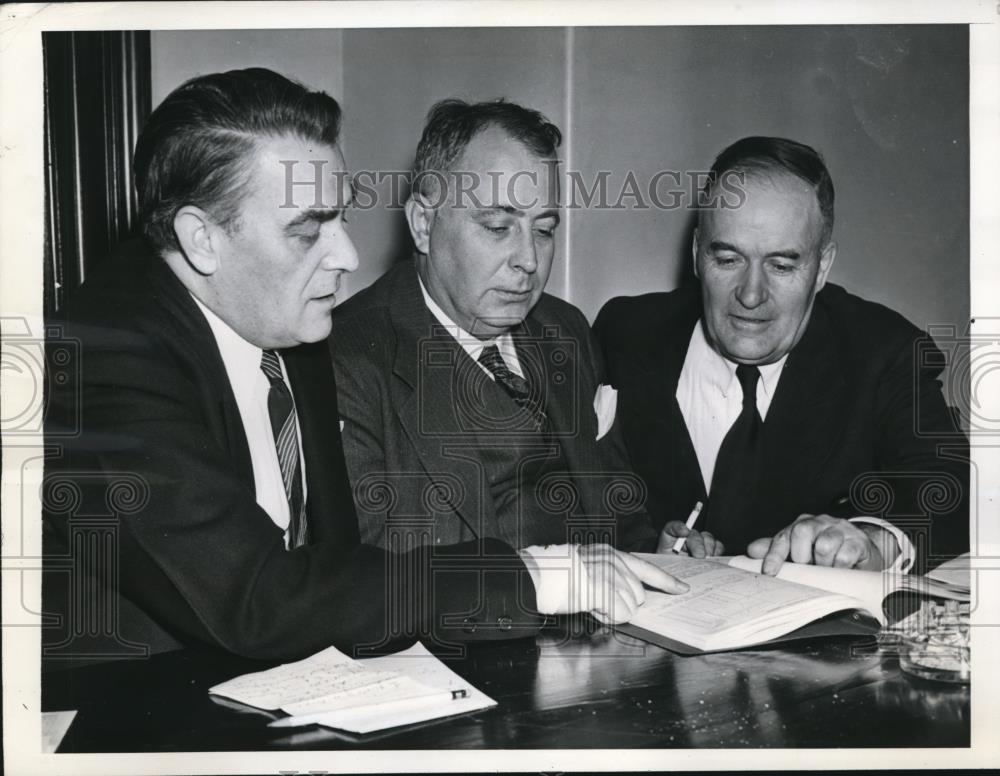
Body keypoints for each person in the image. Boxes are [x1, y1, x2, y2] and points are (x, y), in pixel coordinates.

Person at [42, 70, 684, 663]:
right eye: (307, 229)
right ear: (202, 238)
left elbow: (342, 566)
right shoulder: (103, 357)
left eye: (341, 218)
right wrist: (536, 575)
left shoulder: (289, 327)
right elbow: (256, 598)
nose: (348, 255)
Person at [593, 136, 967, 575]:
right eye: (728, 259)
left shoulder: (883, 351)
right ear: (697, 254)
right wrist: (641, 548)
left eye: (782, 265)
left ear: (822, 266)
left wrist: (875, 540)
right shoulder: (625, 333)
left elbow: (952, 490)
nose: (751, 295)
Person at [330, 99, 659, 596]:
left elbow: (618, 516)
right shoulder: (347, 358)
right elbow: (373, 584)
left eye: (544, 230)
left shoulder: (565, 328)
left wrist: (668, 551)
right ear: (423, 223)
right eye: (498, 227)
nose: (528, 260)